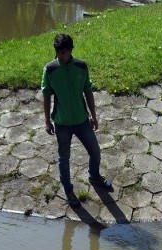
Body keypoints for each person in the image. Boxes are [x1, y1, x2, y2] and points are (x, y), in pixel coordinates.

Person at [41, 33, 112, 208]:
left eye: (64, 51)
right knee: (64, 158)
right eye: (58, 52)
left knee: (95, 152)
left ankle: (94, 177)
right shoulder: (50, 69)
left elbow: (88, 91)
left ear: (71, 50)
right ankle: (69, 191)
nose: (61, 55)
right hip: (62, 122)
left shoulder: (81, 66)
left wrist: (94, 116)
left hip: (82, 120)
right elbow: (46, 96)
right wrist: (47, 121)